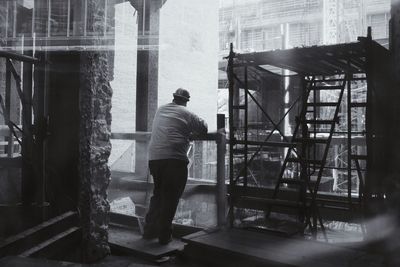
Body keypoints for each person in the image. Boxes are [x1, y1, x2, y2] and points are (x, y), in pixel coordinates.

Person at [143, 88, 208, 244]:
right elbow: (204, 128)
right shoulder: (186, 113)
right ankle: (164, 237)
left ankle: (149, 231)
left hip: (155, 159)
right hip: (174, 160)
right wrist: (190, 134)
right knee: (171, 198)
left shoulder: (160, 110)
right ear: (185, 101)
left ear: (174, 98)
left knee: (158, 195)